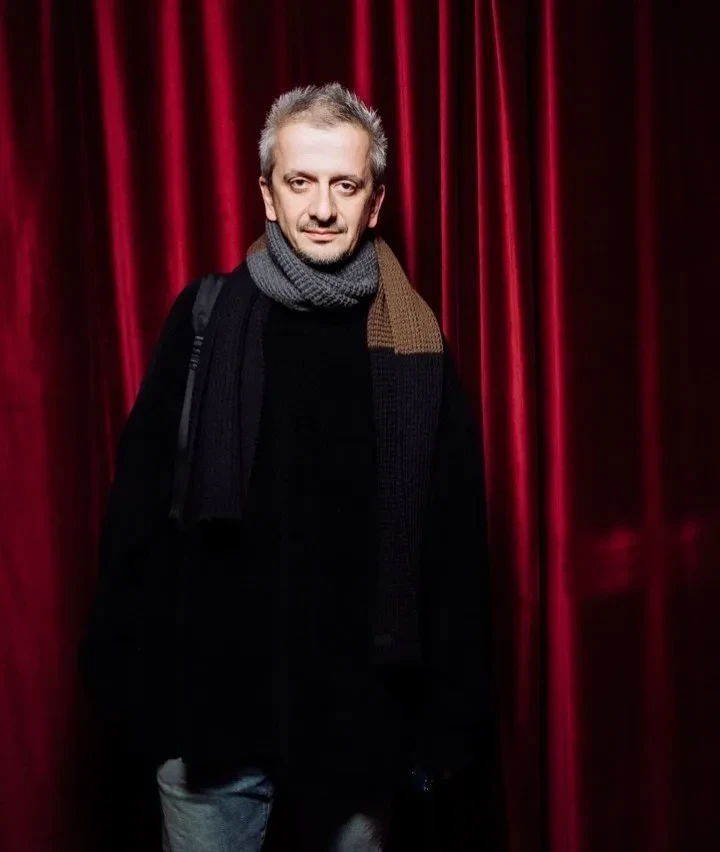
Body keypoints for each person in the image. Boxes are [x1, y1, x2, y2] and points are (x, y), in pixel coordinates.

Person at [80, 82, 496, 852]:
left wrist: (443, 721)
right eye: (301, 181)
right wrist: (131, 693)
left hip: (359, 723)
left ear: (375, 203)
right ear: (268, 195)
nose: (322, 207)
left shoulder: (414, 341)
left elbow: (453, 546)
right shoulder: (205, 318)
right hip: (210, 718)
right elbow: (135, 514)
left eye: (346, 185)